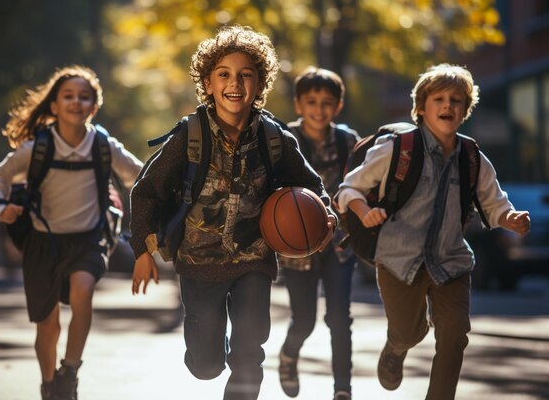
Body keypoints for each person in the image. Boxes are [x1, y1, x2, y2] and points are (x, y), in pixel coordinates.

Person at [129, 25, 337, 400]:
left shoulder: (275, 140)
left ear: (259, 85)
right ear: (208, 83)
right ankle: (206, 348)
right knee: (206, 366)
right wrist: (142, 250)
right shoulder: (189, 136)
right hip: (198, 260)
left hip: (254, 260)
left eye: (246, 75)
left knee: (249, 353)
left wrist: (326, 214)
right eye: (224, 74)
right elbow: (146, 191)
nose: (235, 83)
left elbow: (313, 186)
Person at [335, 63, 531, 400]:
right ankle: (396, 347)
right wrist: (364, 211)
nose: (447, 105)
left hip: (451, 263)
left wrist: (510, 218)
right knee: (409, 333)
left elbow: (494, 202)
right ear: (421, 107)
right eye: (438, 98)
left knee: (454, 335)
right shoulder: (398, 149)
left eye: (456, 100)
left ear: (465, 109)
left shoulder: (472, 157)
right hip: (399, 261)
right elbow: (347, 190)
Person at [0, 65, 143, 400]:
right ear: (54, 106)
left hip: (90, 238)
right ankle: (48, 383)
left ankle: (69, 372)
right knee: (48, 324)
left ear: (94, 107)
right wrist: (1, 208)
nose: (76, 102)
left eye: (84, 97)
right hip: (43, 242)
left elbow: (139, 177)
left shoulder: (103, 145)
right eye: (67, 96)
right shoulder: (37, 148)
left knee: (83, 288)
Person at [276, 67, 359, 400]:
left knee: (339, 318)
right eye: (311, 101)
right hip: (298, 245)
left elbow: (361, 184)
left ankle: (343, 389)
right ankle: (288, 356)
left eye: (327, 102)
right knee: (305, 320)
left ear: (337, 106)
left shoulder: (348, 141)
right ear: (298, 103)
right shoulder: (283, 138)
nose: (319, 109)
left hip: (339, 244)